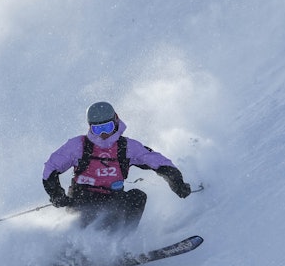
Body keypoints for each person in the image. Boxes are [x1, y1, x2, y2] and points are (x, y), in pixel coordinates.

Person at [42, 101, 192, 235]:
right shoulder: (78, 145)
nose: (103, 134)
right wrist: (56, 194)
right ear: (90, 127)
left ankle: (122, 244)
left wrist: (176, 182)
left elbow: (158, 162)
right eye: (97, 129)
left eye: (107, 127)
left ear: (116, 120)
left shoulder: (126, 147)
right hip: (82, 198)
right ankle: (74, 250)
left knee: (137, 197)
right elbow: (51, 167)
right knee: (87, 219)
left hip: (112, 198)